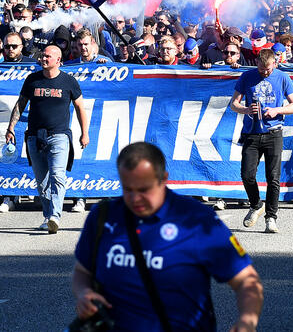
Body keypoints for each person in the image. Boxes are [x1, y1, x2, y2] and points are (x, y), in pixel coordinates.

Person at [72, 142, 263, 331]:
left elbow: (247, 280)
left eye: (143, 190)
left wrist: (247, 320)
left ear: (163, 179)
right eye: (128, 189)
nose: (135, 199)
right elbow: (82, 272)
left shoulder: (197, 219)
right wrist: (84, 293)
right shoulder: (103, 216)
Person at [6, 45, 89, 234]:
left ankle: (55, 216)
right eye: (43, 56)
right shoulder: (32, 80)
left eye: (48, 56)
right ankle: (47, 216)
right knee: (42, 182)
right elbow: (20, 104)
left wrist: (85, 133)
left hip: (59, 136)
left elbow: (80, 108)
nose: (43, 59)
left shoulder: (69, 82)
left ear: (58, 60)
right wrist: (11, 127)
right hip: (35, 137)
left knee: (57, 175)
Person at [228, 48, 293, 233]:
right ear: (257, 64)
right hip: (252, 132)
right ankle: (256, 204)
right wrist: (245, 110)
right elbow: (234, 103)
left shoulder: (282, 77)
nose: (264, 73)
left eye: (268, 70)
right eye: (261, 69)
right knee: (247, 174)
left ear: (274, 64)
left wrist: (278, 110)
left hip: (274, 132)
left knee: (273, 178)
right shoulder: (247, 76)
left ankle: (271, 217)